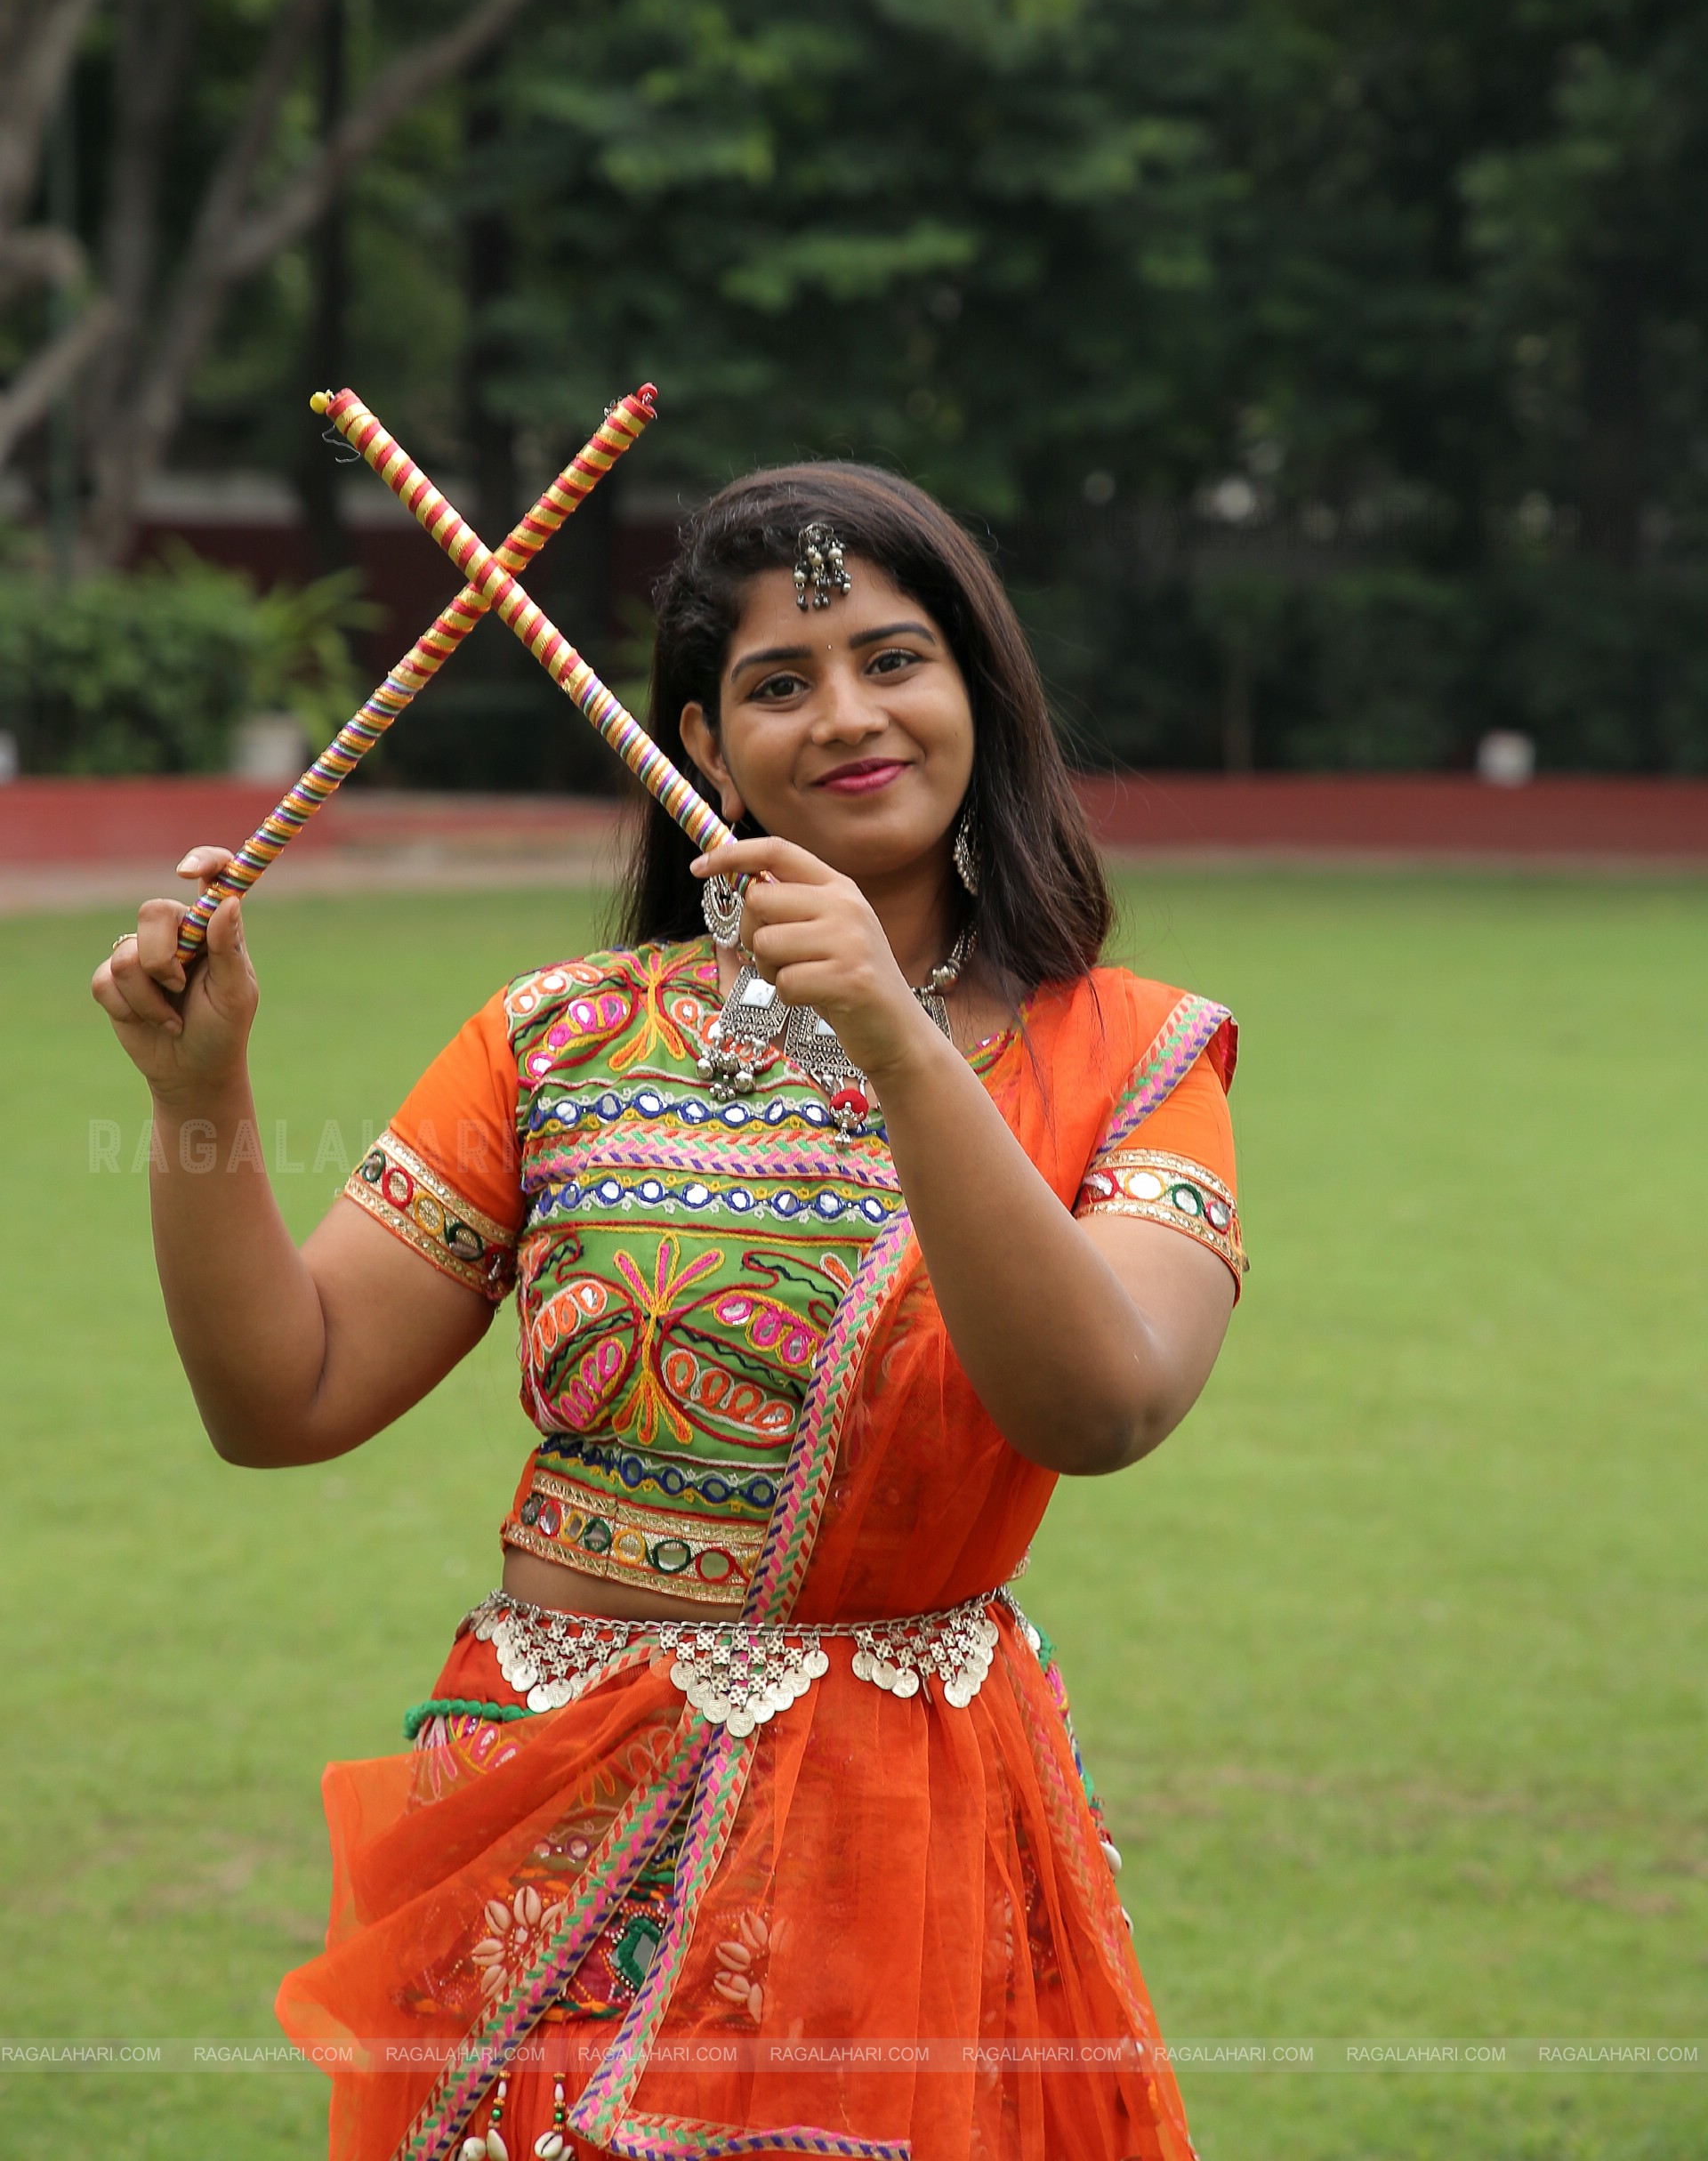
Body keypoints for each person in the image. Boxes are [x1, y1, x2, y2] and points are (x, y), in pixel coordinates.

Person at [93, 463, 1245, 2161]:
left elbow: (1101, 1408)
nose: (848, 715)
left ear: (978, 695)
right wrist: (202, 1098)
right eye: (780, 683)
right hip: (544, 1812)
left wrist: (897, 1040)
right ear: (704, 745)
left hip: (890, 1840)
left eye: (893, 658)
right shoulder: (557, 1038)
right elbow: (287, 1399)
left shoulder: (1133, 1054)